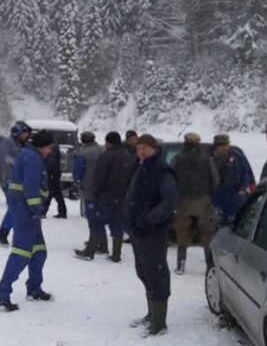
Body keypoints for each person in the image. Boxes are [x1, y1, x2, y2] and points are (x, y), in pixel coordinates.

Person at [0, 130, 56, 312]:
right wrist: (36, 210)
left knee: (39, 251)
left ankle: (34, 288)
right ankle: (1, 293)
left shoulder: (29, 155)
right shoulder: (32, 159)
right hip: (25, 210)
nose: (50, 151)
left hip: (25, 208)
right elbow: (30, 187)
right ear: (43, 146)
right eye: (49, 148)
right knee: (21, 252)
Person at [124, 134, 177, 337]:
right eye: (139, 148)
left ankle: (159, 323)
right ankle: (151, 314)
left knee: (156, 273)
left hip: (153, 232)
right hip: (138, 231)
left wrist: (148, 219)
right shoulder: (142, 167)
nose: (142, 151)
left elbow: (169, 202)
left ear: (155, 149)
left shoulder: (162, 171)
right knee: (144, 271)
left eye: (146, 148)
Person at [77, 131, 136, 262]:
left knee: (97, 223)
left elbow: (99, 177)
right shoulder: (129, 156)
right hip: (122, 196)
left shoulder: (107, 157)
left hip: (107, 195)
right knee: (117, 225)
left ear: (109, 143)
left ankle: (90, 251)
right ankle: (116, 254)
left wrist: (96, 193)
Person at [170, 133, 219, 275]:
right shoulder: (206, 159)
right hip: (203, 201)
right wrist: (207, 192)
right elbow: (215, 179)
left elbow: (171, 178)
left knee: (183, 233)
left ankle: (181, 265)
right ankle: (210, 265)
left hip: (183, 201)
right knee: (207, 234)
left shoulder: (178, 159)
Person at [0, 121, 32, 245]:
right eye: (25, 133)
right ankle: (5, 231)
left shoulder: (23, 145)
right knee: (15, 208)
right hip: (9, 180)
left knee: (16, 208)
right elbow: (3, 160)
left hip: (20, 182)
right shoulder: (7, 143)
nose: (27, 136)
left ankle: (8, 231)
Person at [73, 132, 106, 256]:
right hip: (103, 189)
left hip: (89, 189)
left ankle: (91, 248)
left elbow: (77, 172)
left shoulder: (83, 153)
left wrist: (77, 180)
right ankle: (103, 244)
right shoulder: (103, 150)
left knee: (92, 220)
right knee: (99, 218)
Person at [210, 134, 252, 224]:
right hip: (214, 196)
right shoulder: (207, 158)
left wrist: (243, 189)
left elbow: (245, 172)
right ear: (216, 146)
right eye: (222, 146)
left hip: (234, 195)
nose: (225, 148)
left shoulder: (237, 156)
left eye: (226, 145)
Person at [43, 140, 67, 219]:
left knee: (51, 192)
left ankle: (43, 211)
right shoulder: (54, 147)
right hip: (54, 172)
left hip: (52, 172)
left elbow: (50, 162)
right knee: (55, 192)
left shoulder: (50, 148)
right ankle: (62, 211)